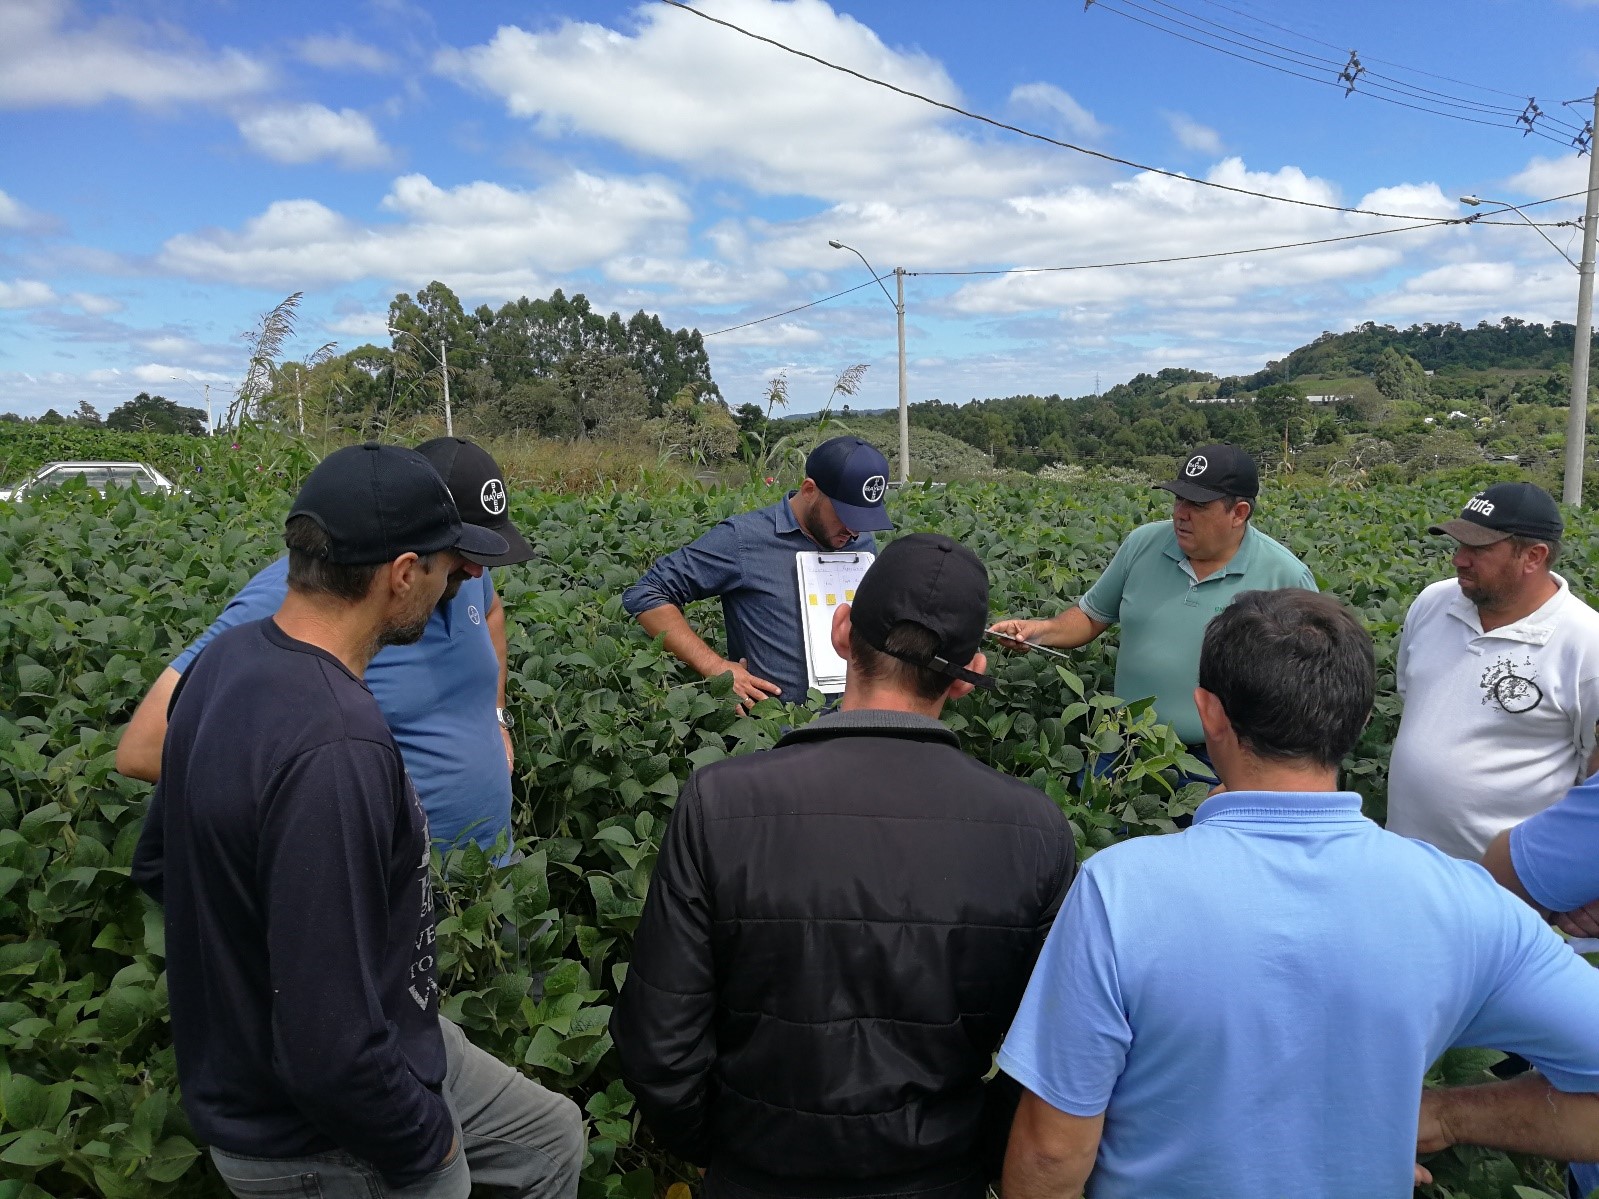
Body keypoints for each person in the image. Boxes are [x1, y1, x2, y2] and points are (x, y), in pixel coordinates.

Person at [997, 589, 1599, 1199]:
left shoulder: (1120, 890)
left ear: (1208, 712)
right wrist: (1448, 1115)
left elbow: (1051, 1155)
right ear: (1360, 721)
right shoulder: (1464, 902)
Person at [131, 442, 583, 1199]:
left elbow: (157, 863)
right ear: (403, 574)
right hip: (314, 1126)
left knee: (547, 1135)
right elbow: (331, 1051)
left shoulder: (229, 663)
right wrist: (428, 1146)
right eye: (443, 566)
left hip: (357, 1036)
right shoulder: (337, 746)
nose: (455, 584)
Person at [612, 533, 1075, 1199]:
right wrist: (967, 1152)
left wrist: (725, 1147)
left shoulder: (721, 801)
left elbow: (657, 1039)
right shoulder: (1032, 828)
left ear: (838, 631)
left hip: (756, 1170)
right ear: (969, 670)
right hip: (934, 1176)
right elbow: (1049, 1057)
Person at [116, 436, 533, 857]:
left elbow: (492, 614)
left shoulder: (463, 577)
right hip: (392, 891)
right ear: (408, 548)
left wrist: (496, 716)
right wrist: (323, 813)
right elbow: (146, 746)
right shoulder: (307, 597)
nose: (478, 569)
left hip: (492, 872)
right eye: (460, 550)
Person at [991, 444, 1314, 776]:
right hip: (1123, 746)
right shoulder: (1143, 544)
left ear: (1239, 513)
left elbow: (1309, 688)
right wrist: (1040, 631)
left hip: (1222, 764)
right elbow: (1091, 615)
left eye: (1198, 505)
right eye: (1178, 499)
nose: (1180, 513)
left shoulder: (1284, 577)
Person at [1387, 482, 1599, 861]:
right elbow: (1414, 697)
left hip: (1510, 883)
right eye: (1459, 544)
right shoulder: (1433, 603)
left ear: (1533, 556)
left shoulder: (1586, 643)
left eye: (1478, 548)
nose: (1458, 559)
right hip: (1408, 866)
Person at [622, 435, 892, 709]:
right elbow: (647, 593)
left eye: (864, 520)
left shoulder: (861, 542)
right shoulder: (744, 539)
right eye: (846, 517)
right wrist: (715, 666)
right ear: (809, 490)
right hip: (777, 737)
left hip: (854, 726)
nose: (854, 531)